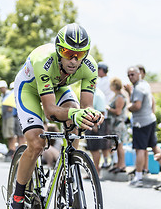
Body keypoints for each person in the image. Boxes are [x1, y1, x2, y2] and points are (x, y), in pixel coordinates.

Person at [10, 23, 103, 209]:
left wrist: (91, 114)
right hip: (29, 89)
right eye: (68, 53)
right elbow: (50, 111)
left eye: (80, 55)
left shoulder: (90, 66)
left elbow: (86, 106)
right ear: (59, 50)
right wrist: (74, 113)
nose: (74, 61)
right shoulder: (43, 60)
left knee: (76, 122)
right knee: (37, 143)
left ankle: (65, 171)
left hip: (58, 88)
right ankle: (18, 196)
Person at [126, 66, 161, 187]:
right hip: (150, 120)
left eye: (132, 74)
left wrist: (128, 106)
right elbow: (152, 101)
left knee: (140, 149)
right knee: (154, 147)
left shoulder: (138, 88)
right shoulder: (145, 85)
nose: (130, 77)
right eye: (129, 75)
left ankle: (138, 178)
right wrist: (151, 113)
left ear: (139, 74)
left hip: (141, 123)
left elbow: (136, 106)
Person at [106, 77, 128, 173]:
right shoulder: (116, 96)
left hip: (118, 124)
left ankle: (122, 165)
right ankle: (117, 164)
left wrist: (108, 108)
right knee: (116, 145)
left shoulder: (119, 97)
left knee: (119, 145)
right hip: (114, 124)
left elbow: (118, 111)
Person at [85, 87, 108, 174]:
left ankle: (96, 172)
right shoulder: (90, 92)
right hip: (90, 123)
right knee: (92, 149)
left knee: (95, 149)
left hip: (96, 124)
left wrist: (95, 125)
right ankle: (94, 171)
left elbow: (102, 112)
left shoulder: (98, 94)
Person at [96, 62, 114, 168]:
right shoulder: (107, 80)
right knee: (105, 140)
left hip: (103, 114)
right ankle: (107, 160)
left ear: (102, 70)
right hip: (106, 114)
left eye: (99, 69)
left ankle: (107, 161)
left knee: (103, 141)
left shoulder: (103, 82)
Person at [0, 80, 16, 161]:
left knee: (11, 133)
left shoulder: (10, 93)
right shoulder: (2, 95)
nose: (1, 89)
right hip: (5, 116)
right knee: (7, 134)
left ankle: (13, 149)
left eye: (2, 88)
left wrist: (11, 108)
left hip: (10, 116)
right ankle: (10, 149)